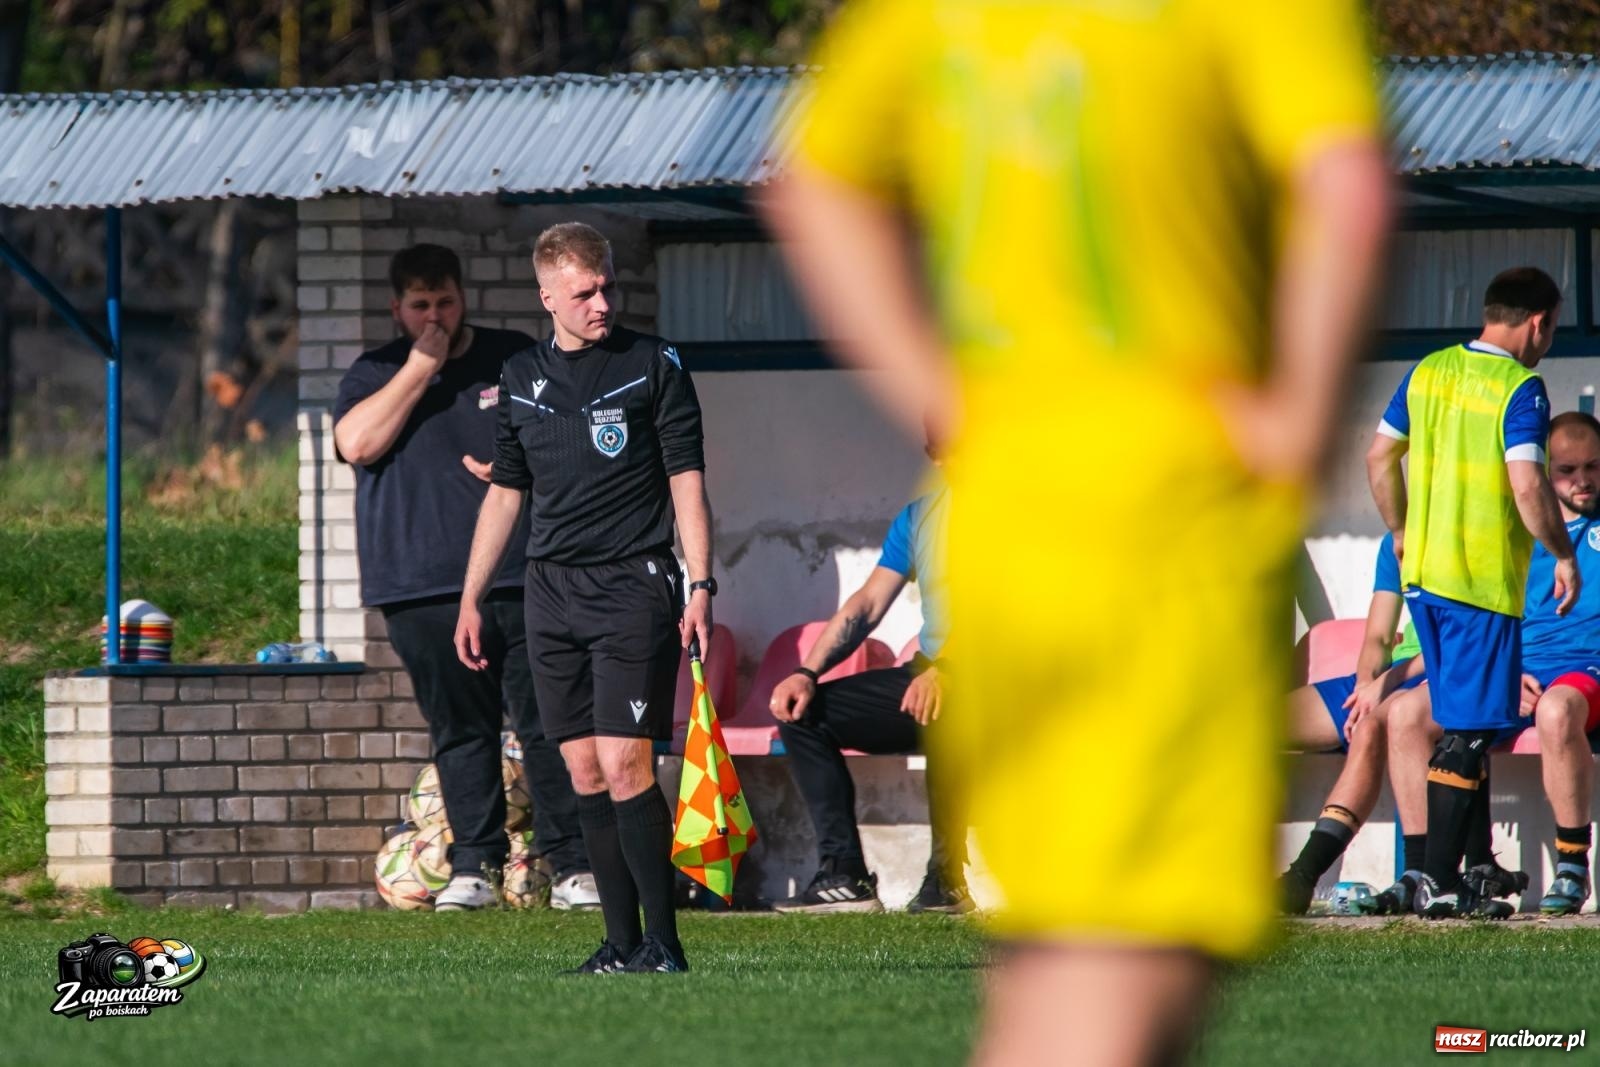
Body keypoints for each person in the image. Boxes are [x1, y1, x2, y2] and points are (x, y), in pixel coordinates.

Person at [763, 1, 1391, 1062]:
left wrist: (942, 385)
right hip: (1171, 517)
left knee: (1072, 959)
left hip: (1016, 526)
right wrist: (1293, 428)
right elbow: (1350, 191)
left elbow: (813, 184)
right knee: (1137, 962)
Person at [455, 222, 714, 975]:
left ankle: (664, 946)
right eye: (584, 292)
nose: (602, 301)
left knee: (628, 765)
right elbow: (506, 494)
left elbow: (687, 480)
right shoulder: (520, 379)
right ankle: (619, 943)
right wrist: (473, 597)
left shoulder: (653, 364)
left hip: (632, 584)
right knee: (583, 773)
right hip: (549, 593)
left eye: (606, 286)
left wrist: (700, 580)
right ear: (548, 297)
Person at [332, 244, 594, 911]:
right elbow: (357, 444)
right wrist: (421, 367)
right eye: (420, 306)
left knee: (547, 723)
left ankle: (572, 866)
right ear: (397, 309)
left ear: (462, 295)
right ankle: (473, 865)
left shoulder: (512, 357)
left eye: (444, 302)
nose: (435, 316)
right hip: (419, 585)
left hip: (521, 574)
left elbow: (570, 437)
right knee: (460, 729)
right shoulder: (374, 371)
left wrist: (521, 470)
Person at [1367, 266, 1577, 919]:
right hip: (1479, 585)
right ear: (1539, 322)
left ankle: (1477, 866)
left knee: (1470, 723)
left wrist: (1401, 529)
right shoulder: (1521, 387)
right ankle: (1436, 880)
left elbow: (1378, 457)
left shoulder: (1426, 371)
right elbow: (1526, 485)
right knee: (1467, 732)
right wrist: (1562, 553)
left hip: (1426, 582)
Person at [1380, 411, 1600, 916]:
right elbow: (1480, 616)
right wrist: (1506, 669)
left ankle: (1571, 866)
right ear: (1544, 473)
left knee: (1556, 711)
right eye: (1567, 469)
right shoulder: (1512, 532)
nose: (1583, 480)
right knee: (1406, 714)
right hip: (1512, 666)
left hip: (1583, 670)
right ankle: (1421, 871)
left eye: (1593, 466)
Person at [770, 461, 968, 914]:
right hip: (932, 671)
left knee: (950, 709)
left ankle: (946, 880)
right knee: (806, 715)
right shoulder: (922, 516)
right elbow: (868, 603)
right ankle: (844, 876)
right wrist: (807, 673)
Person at [1277, 533, 1426, 913]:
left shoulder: (1472, 531)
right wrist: (1365, 685)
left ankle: (1302, 877)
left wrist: (1381, 689)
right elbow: (1377, 637)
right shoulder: (1398, 540)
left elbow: (1457, 644)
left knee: (1370, 725)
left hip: (1432, 676)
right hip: (1389, 673)